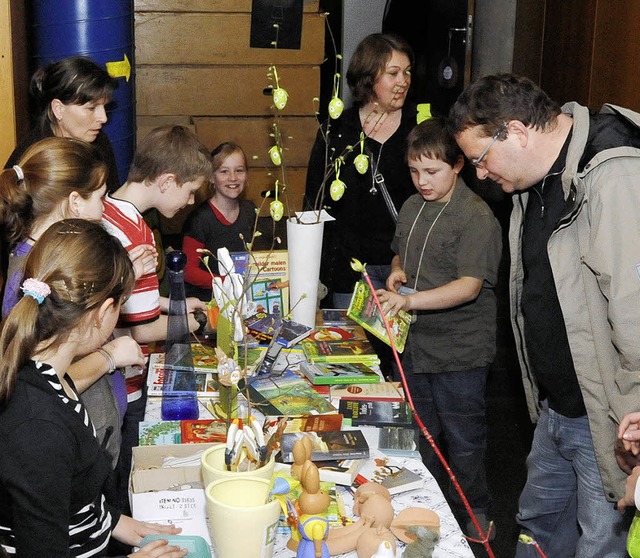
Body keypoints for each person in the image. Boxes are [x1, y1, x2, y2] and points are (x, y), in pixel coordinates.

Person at [449, 73, 640, 557]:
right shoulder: (531, 183)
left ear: (514, 131)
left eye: (479, 159)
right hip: (558, 410)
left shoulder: (612, 175)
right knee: (537, 525)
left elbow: (636, 314)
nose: (480, 174)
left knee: (600, 545)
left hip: (610, 421)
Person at [0, 219, 187, 558]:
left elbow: (66, 494)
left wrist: (116, 522)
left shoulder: (49, 378)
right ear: (103, 313)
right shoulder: (37, 427)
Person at [375, 117, 502, 539]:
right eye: (414, 171)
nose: (421, 181)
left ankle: (474, 507)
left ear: (458, 165)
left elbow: (468, 287)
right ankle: (428, 507)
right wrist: (396, 273)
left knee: (463, 437)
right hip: (415, 346)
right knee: (420, 433)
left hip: (459, 350)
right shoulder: (412, 206)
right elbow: (399, 256)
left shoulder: (476, 216)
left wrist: (408, 299)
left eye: (432, 171)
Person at [0, 137, 152, 468]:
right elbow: (40, 381)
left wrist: (122, 281)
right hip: (74, 455)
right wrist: (109, 357)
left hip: (95, 441)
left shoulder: (58, 259)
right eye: (100, 197)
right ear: (75, 202)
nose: (104, 208)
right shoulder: (27, 278)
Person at [101, 124, 211, 514]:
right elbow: (143, 328)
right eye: (190, 190)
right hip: (122, 386)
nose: (189, 201)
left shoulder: (107, 210)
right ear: (167, 181)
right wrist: (204, 321)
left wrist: (173, 303)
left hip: (103, 374)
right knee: (121, 486)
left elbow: (130, 300)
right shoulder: (139, 234)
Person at [305, 33, 420, 309]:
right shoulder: (337, 130)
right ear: (369, 78)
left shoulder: (421, 126)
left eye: (407, 72)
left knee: (400, 350)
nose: (403, 81)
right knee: (355, 349)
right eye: (393, 73)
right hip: (350, 269)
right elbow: (315, 198)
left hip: (406, 265)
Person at [4, 55, 120, 192]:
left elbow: (111, 197)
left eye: (104, 107)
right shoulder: (32, 160)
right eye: (91, 108)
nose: (103, 118)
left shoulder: (99, 142)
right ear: (58, 109)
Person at [182, 142, 256, 301]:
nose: (233, 178)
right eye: (224, 171)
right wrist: (227, 283)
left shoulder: (250, 211)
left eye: (239, 170)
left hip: (242, 299)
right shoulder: (199, 219)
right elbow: (188, 271)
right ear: (211, 177)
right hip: (206, 303)